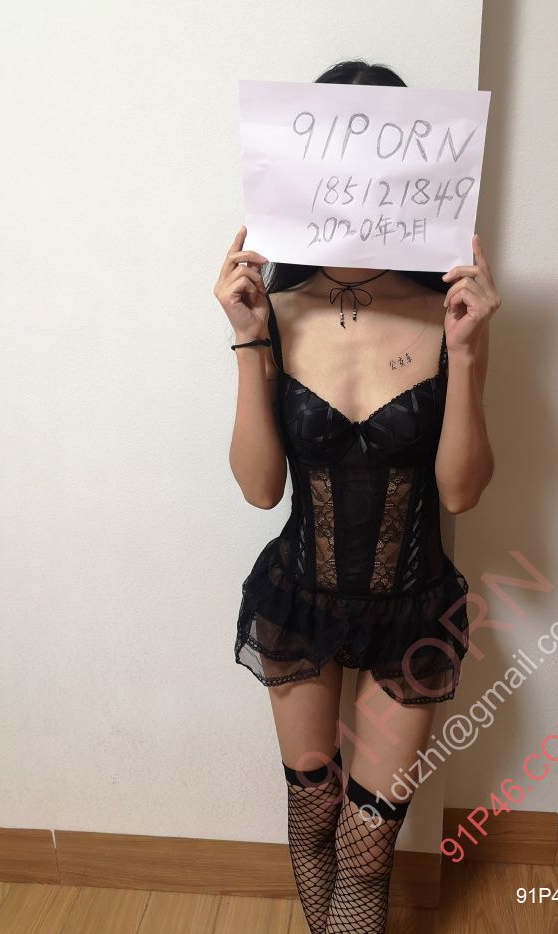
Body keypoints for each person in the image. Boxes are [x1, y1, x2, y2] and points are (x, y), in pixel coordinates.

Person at [214, 59, 499, 934]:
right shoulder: (280, 310)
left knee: (369, 846)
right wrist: (248, 339)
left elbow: (462, 491)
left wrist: (469, 354)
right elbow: (260, 488)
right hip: (299, 600)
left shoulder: (448, 313)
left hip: (412, 611)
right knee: (313, 816)